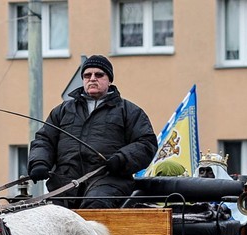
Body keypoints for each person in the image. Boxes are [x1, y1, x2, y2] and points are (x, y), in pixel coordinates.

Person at [28, 55, 157, 208]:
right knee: (49, 214)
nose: (92, 79)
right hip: (64, 183)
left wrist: (121, 159)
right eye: (87, 75)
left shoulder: (129, 111)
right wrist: (39, 163)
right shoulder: (62, 111)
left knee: (95, 205)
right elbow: (44, 140)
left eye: (99, 74)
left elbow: (146, 143)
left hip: (109, 181)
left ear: (109, 80)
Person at [194, 151, 247, 225]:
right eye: (201, 171)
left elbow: (228, 213)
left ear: (219, 174)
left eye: (209, 171)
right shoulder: (193, 193)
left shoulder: (231, 191)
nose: (204, 175)